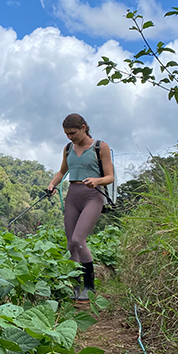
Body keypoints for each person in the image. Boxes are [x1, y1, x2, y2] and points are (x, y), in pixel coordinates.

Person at [46, 114, 114, 304]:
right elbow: (62, 171)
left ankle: (89, 287)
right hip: (73, 195)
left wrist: (96, 181)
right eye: (67, 134)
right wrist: (52, 184)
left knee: (79, 239)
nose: (70, 137)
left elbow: (110, 176)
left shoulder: (100, 147)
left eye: (73, 133)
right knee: (70, 244)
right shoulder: (68, 148)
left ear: (84, 128)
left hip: (93, 196)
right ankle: (75, 287)